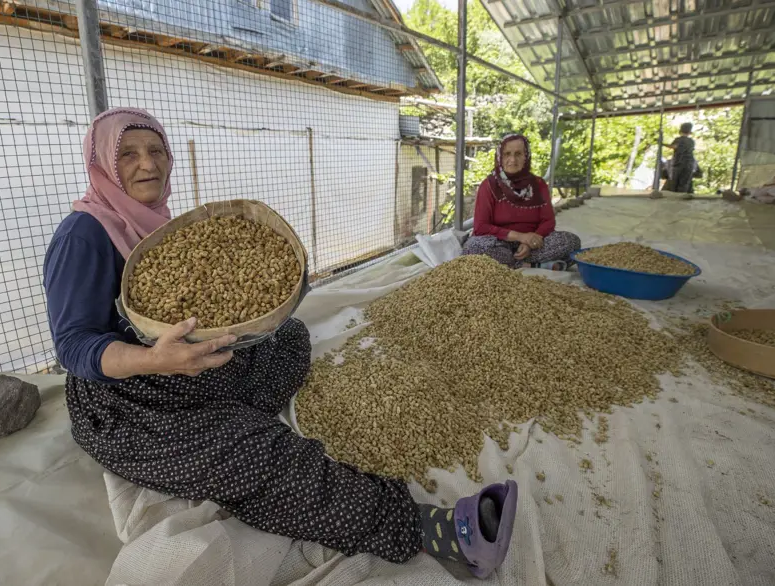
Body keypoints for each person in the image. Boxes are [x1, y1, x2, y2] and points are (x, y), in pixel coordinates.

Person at [43, 107, 518, 578]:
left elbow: (213, 299)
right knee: (255, 454)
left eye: (155, 151)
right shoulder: (84, 234)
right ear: (103, 162)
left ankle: (226, 415)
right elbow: (73, 345)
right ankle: (423, 528)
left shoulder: (160, 224)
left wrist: (279, 287)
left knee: (289, 335)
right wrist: (153, 359)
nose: (147, 164)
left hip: (188, 363)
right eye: (127, 154)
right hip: (126, 399)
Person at [463, 133, 581, 270]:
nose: (512, 160)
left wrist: (531, 242)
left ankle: (512, 264)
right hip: (498, 244)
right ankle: (531, 265)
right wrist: (521, 237)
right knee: (474, 247)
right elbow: (481, 226)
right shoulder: (489, 185)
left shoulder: (538, 184)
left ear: (526, 157)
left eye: (518, 154)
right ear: (500, 157)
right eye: (507, 154)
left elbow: (548, 221)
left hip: (532, 245)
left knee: (571, 242)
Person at [663, 122, 696, 193]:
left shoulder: (679, 139)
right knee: (684, 183)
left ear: (680, 131)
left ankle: (676, 197)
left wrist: (662, 144)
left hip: (679, 164)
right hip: (689, 164)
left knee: (675, 183)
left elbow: (673, 146)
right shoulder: (691, 141)